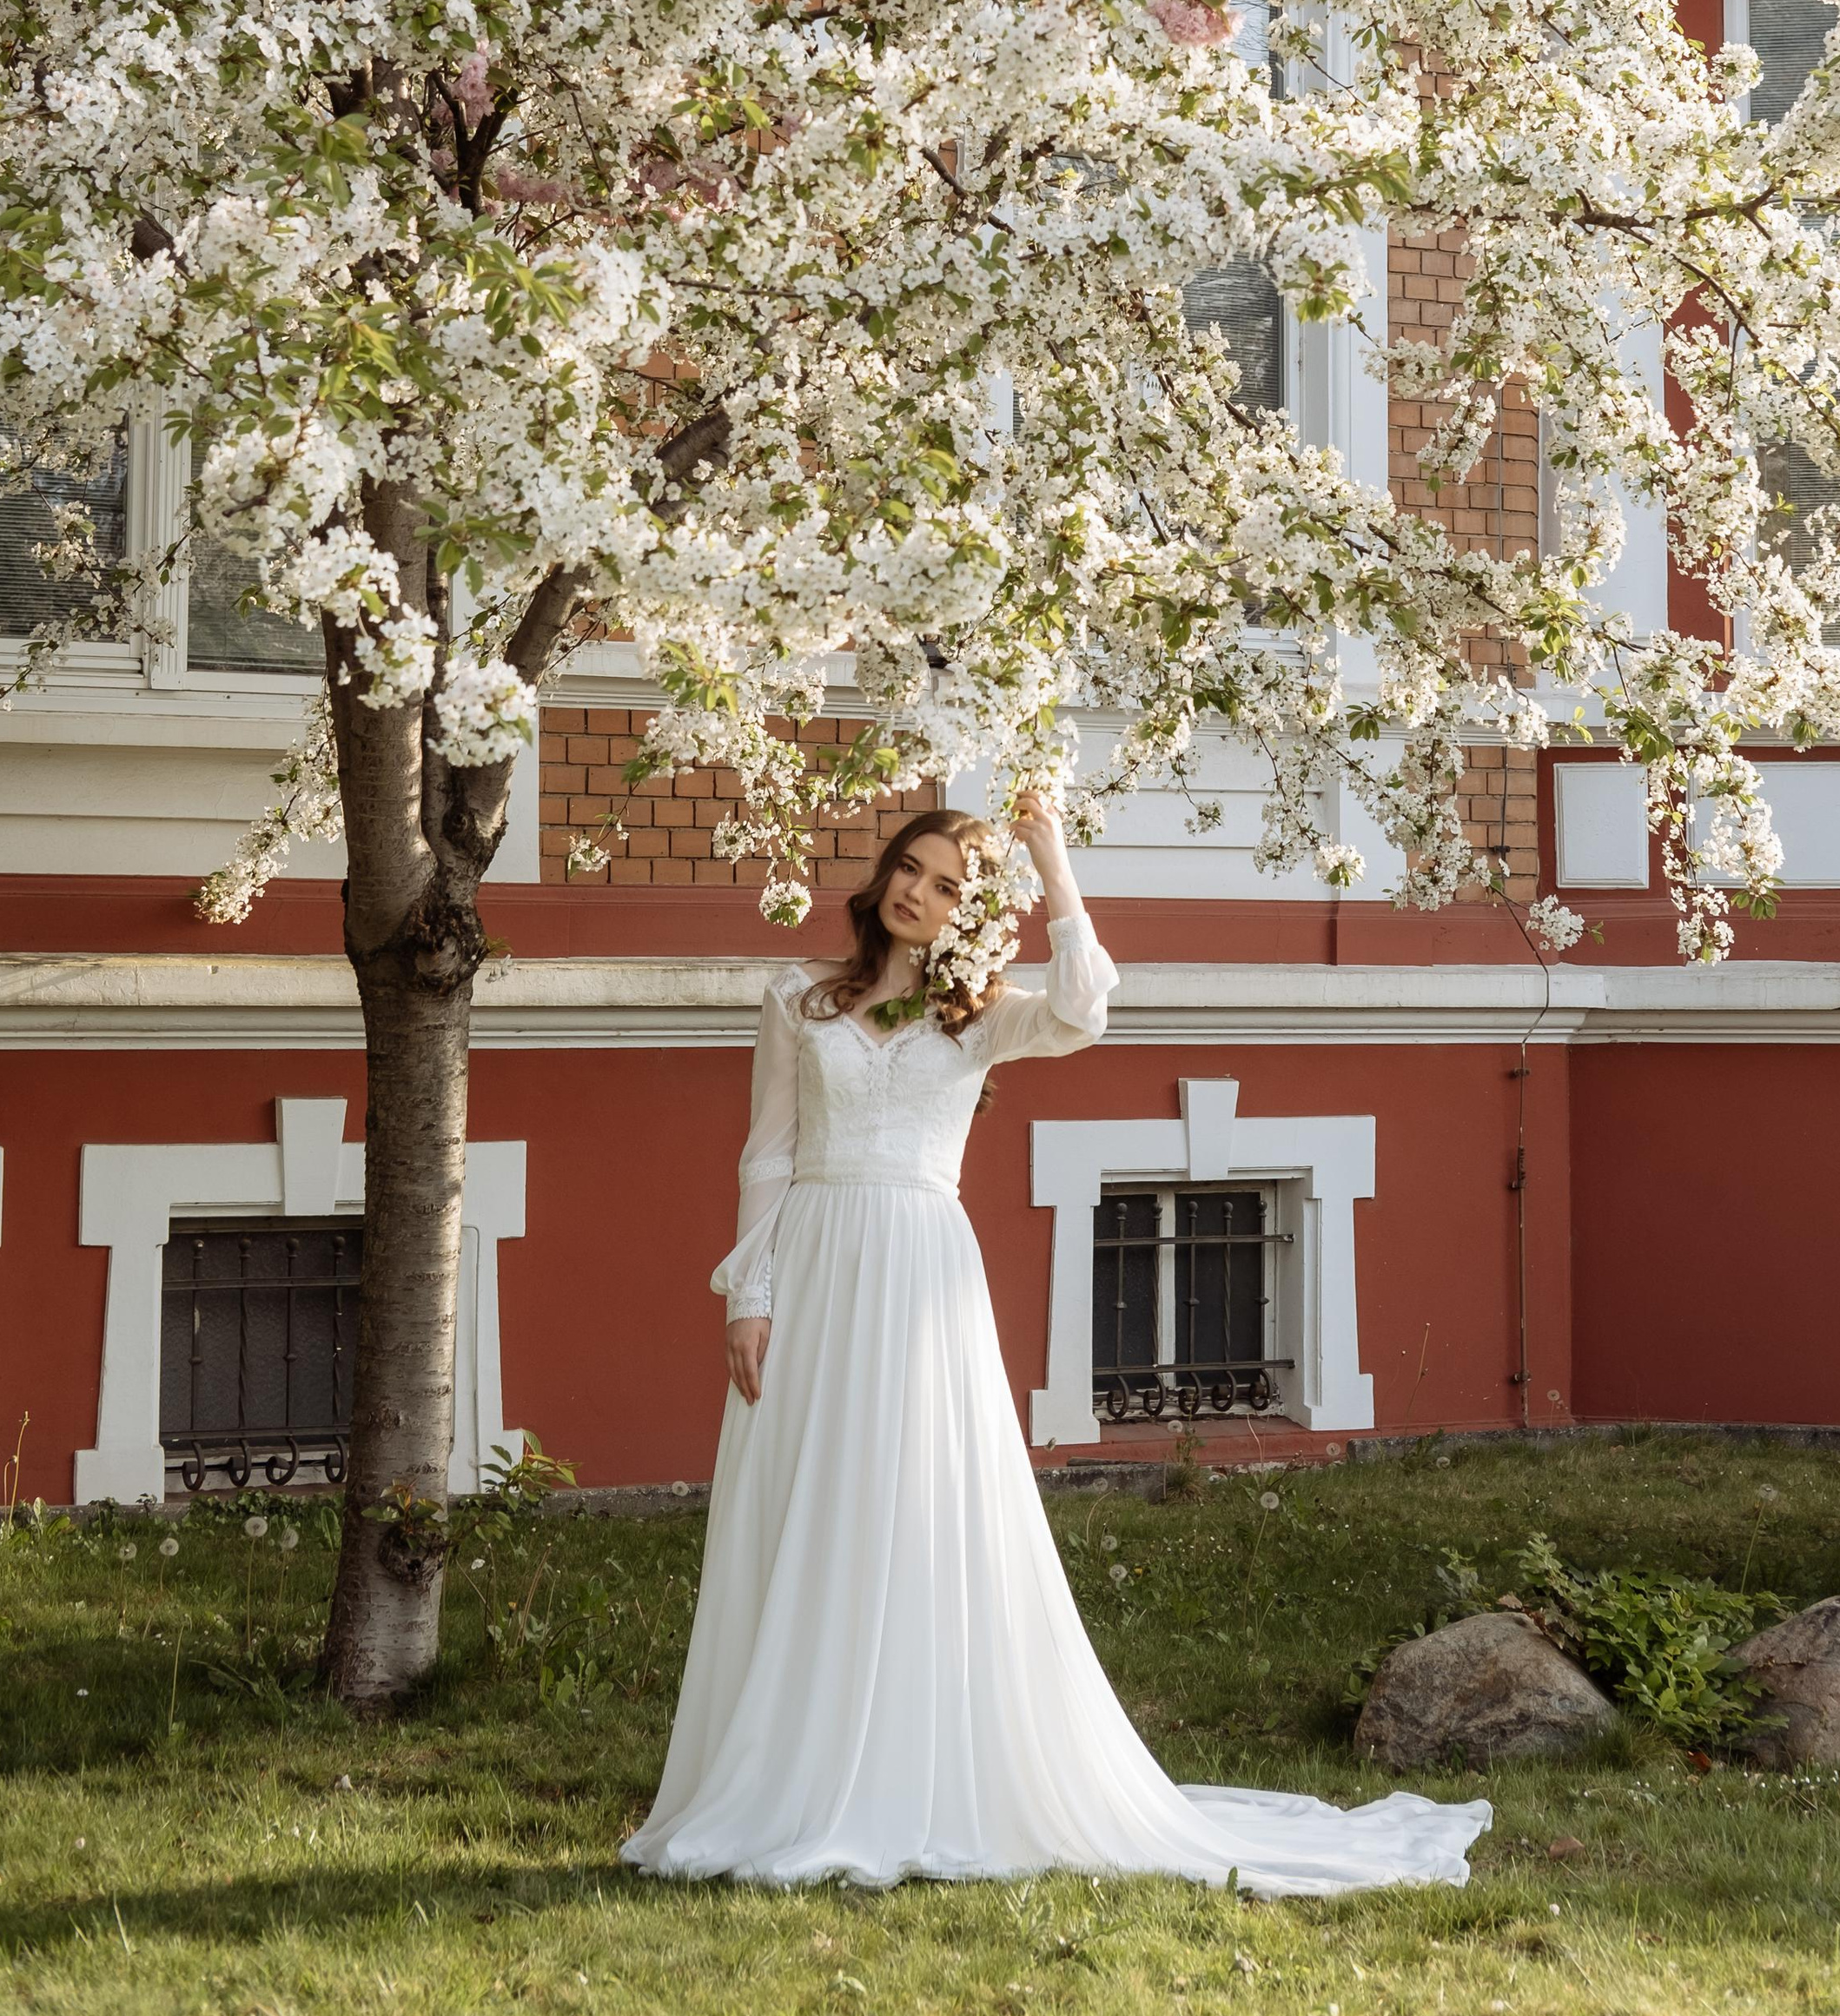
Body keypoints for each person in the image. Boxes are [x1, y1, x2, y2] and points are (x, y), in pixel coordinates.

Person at [623, 793, 1490, 1894]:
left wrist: (1054, 864)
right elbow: (767, 1153)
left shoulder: (984, 1016)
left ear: (970, 913)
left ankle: (912, 1771)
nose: (917, 894)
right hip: (813, 1260)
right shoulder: (797, 998)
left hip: (920, 1271)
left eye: (946, 886)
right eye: (910, 868)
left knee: (915, 1505)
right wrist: (748, 1290)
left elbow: (1088, 1010)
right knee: (809, 1502)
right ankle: (784, 1767)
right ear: (881, 871)